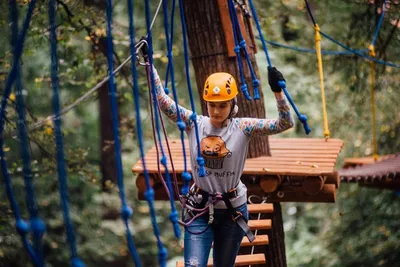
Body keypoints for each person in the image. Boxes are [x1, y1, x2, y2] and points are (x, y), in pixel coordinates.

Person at [143, 47, 294, 267]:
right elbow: (163, 102)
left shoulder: (243, 127)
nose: (215, 111)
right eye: (212, 105)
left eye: (222, 105)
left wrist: (278, 93)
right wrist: (149, 65)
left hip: (233, 211)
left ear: (232, 104)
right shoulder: (195, 123)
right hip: (199, 208)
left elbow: (284, 123)